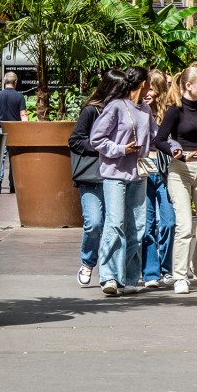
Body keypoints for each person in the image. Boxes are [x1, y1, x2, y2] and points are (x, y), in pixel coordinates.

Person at [90, 66, 154, 296]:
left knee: (137, 226)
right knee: (115, 223)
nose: (150, 88)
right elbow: (97, 138)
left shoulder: (146, 109)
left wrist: (176, 145)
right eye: (149, 83)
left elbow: (155, 135)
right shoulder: (116, 106)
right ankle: (108, 276)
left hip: (139, 174)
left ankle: (127, 277)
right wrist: (120, 149)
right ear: (142, 83)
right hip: (114, 174)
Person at [154, 63, 197, 294]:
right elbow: (159, 140)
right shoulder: (175, 110)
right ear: (189, 86)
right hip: (180, 170)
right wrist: (177, 152)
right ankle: (180, 276)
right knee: (184, 226)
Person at [68, 70, 127, 287]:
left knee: (115, 224)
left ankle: (109, 271)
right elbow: (75, 140)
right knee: (94, 223)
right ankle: (87, 261)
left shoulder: (125, 110)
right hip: (93, 176)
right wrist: (103, 147)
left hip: (117, 174)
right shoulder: (92, 110)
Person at [141, 69, 175, 288]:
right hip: (143, 169)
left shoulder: (170, 113)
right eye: (145, 88)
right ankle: (150, 272)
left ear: (160, 90)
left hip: (165, 171)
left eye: (151, 88)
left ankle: (166, 268)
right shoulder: (138, 111)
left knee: (169, 222)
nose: (147, 92)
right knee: (147, 225)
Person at [0, 72, 28, 194]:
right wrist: (25, 128)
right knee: (13, 157)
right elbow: (23, 115)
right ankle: (12, 184)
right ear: (15, 82)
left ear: (5, 82)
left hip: (0, 127)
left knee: (0, 156)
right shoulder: (19, 97)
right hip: (15, 129)